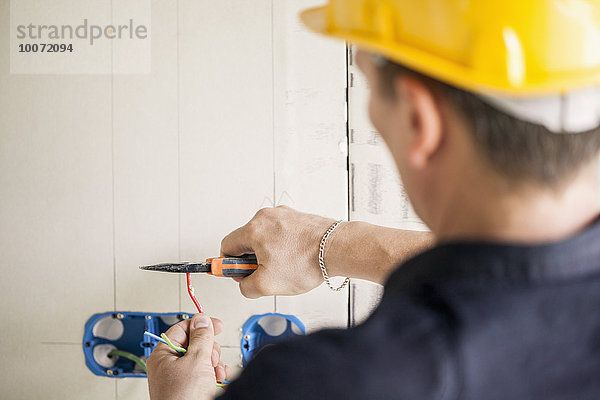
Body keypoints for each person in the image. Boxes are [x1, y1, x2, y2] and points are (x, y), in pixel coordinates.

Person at [147, 1, 600, 399]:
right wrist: (333, 244)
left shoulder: (321, 383)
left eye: (365, 84)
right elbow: (521, 280)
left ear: (420, 121)